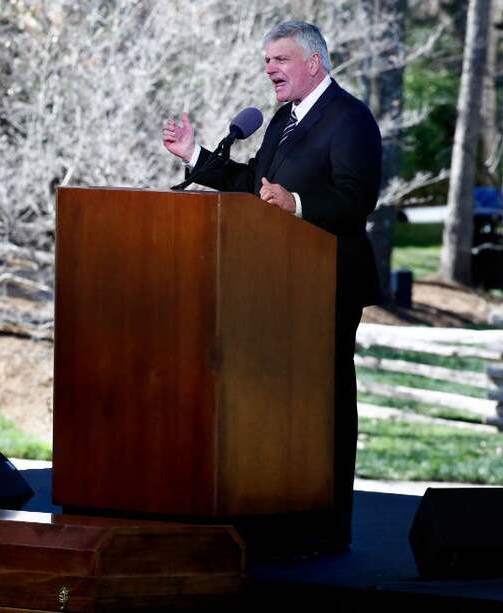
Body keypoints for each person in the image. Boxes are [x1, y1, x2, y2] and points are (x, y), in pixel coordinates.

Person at [162, 20, 382, 549]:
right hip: (274, 284)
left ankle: (329, 523)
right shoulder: (284, 118)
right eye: (266, 62)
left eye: (279, 60)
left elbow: (357, 201)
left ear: (314, 62)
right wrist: (195, 157)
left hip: (329, 279)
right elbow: (251, 187)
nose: (270, 70)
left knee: (324, 398)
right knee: (279, 399)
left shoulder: (350, 118)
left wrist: (298, 206)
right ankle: (282, 513)